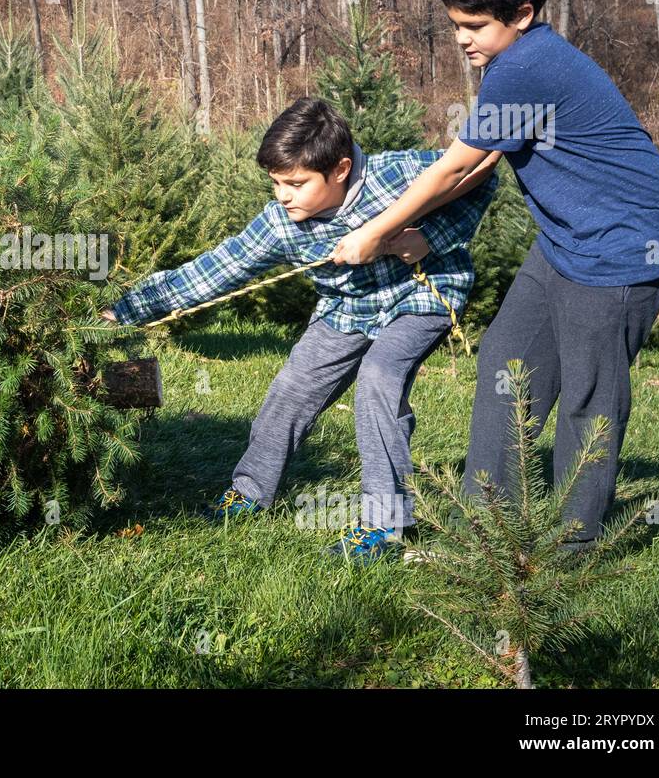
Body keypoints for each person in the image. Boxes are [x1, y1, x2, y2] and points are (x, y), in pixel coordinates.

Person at [329, 0, 659, 551]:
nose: (461, 39)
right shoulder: (511, 63)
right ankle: (485, 528)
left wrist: (373, 232)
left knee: (588, 396)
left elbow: (450, 165)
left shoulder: (527, 68)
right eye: (455, 24)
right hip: (562, 241)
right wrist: (404, 226)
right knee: (507, 364)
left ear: (522, 15)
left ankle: (571, 551)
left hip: (622, 247)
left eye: (473, 25)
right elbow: (475, 166)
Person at [101, 96, 499, 560]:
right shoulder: (281, 223)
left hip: (421, 297)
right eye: (275, 183)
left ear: (341, 169)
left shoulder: (397, 175)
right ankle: (250, 492)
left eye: (295, 183)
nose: (283, 195)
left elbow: (481, 170)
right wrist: (124, 312)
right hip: (347, 310)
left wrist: (429, 237)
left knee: (379, 378)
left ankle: (386, 527)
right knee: (291, 388)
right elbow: (212, 270)